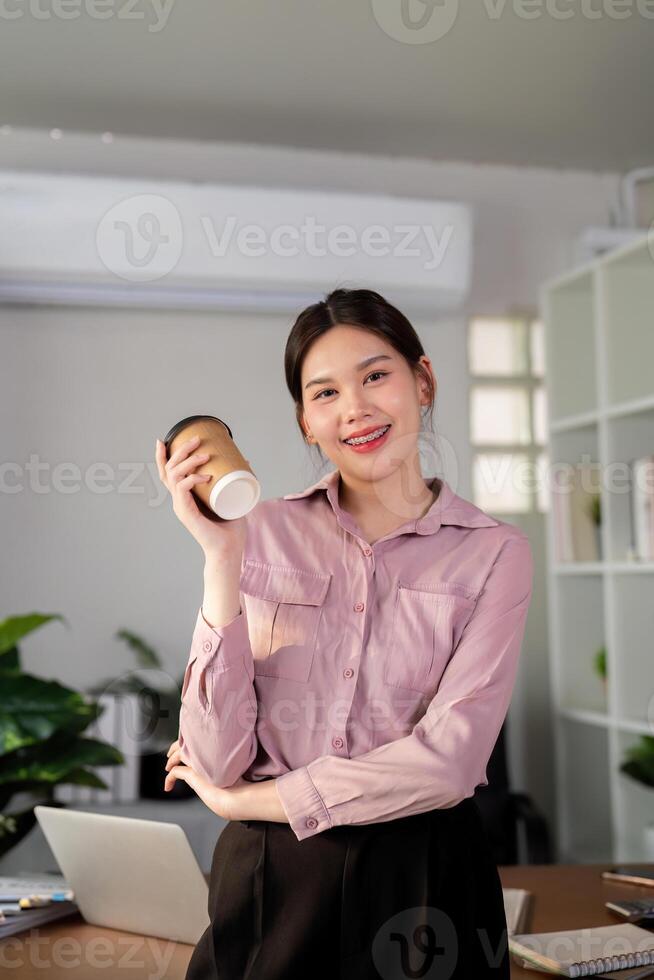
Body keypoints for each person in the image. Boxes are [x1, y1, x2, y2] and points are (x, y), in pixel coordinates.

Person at [155, 287, 534, 979]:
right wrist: (220, 560)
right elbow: (214, 758)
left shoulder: (494, 554)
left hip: (422, 881)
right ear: (306, 422)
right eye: (324, 393)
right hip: (271, 875)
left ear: (423, 382)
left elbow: (448, 763)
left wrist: (247, 803)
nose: (354, 408)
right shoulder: (257, 532)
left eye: (375, 376)